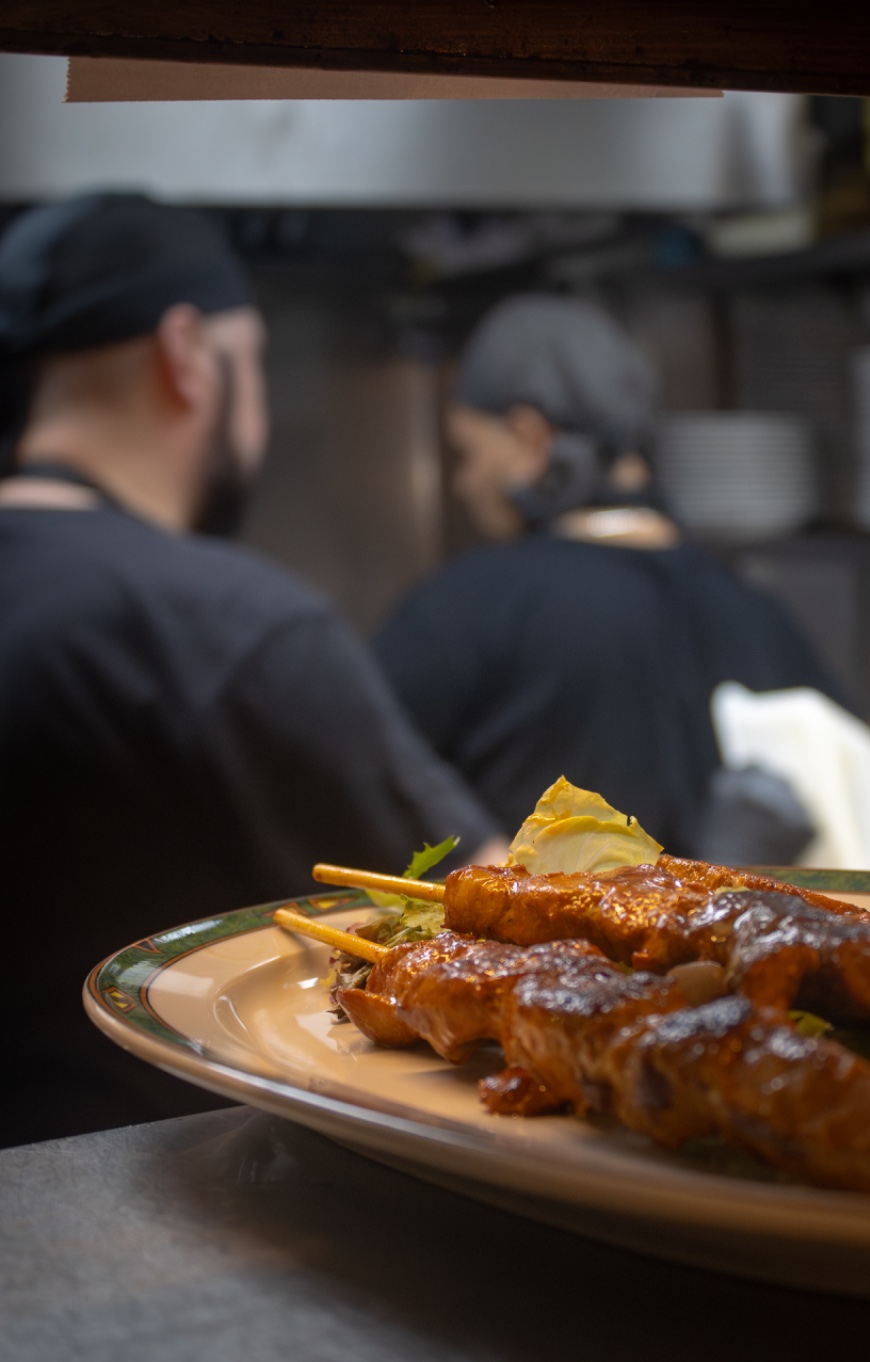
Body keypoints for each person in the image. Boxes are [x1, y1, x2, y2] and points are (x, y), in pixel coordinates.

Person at [0, 194, 502, 1148]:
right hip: (160, 1234)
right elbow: (487, 914)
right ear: (186, 354)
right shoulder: (221, 626)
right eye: (256, 360)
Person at [374, 293, 841, 854]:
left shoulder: (470, 604)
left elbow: (346, 772)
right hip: (738, 942)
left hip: (530, 944)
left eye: (469, 453)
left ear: (529, 440)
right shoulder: (757, 610)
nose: (464, 483)